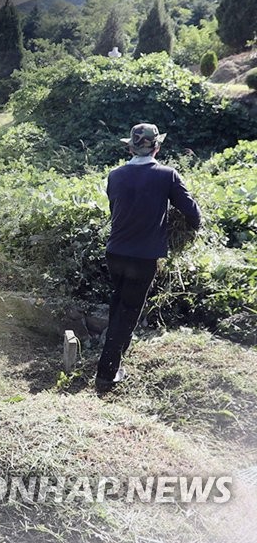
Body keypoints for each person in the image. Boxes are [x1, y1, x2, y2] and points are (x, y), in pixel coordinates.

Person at [97, 123, 201, 393]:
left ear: (130, 147)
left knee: (118, 303)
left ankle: (115, 359)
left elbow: (114, 208)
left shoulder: (115, 175)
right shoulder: (167, 175)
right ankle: (107, 373)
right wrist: (191, 226)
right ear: (157, 147)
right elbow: (191, 211)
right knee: (129, 312)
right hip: (141, 258)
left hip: (115, 251)